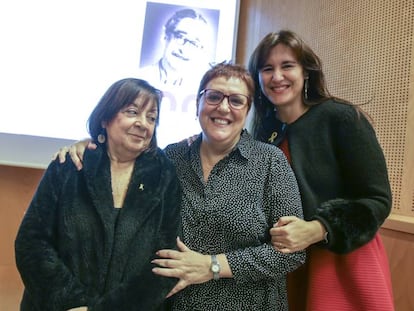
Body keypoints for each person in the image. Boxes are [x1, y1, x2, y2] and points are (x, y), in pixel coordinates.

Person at [54, 63, 306, 310]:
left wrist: (213, 266)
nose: (224, 107)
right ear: (197, 104)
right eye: (214, 97)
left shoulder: (271, 162)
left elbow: (293, 253)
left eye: (236, 100)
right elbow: (121, 158)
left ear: (247, 110)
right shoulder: (170, 158)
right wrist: (91, 144)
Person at [248, 30, 394, 310]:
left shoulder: (341, 118)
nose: (277, 76)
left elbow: (377, 201)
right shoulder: (261, 133)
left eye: (287, 66)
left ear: (306, 72)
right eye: (267, 69)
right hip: (284, 268)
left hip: (341, 263)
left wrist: (319, 228)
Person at [15, 78, 182, 310]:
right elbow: (31, 242)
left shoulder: (164, 175)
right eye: (133, 112)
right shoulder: (69, 165)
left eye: (151, 118)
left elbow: (167, 259)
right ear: (106, 118)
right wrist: (72, 302)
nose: (143, 124)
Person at [138, 8, 212, 89]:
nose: (184, 50)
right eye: (180, 37)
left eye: (194, 43)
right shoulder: (139, 78)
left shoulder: (202, 87)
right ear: (165, 36)